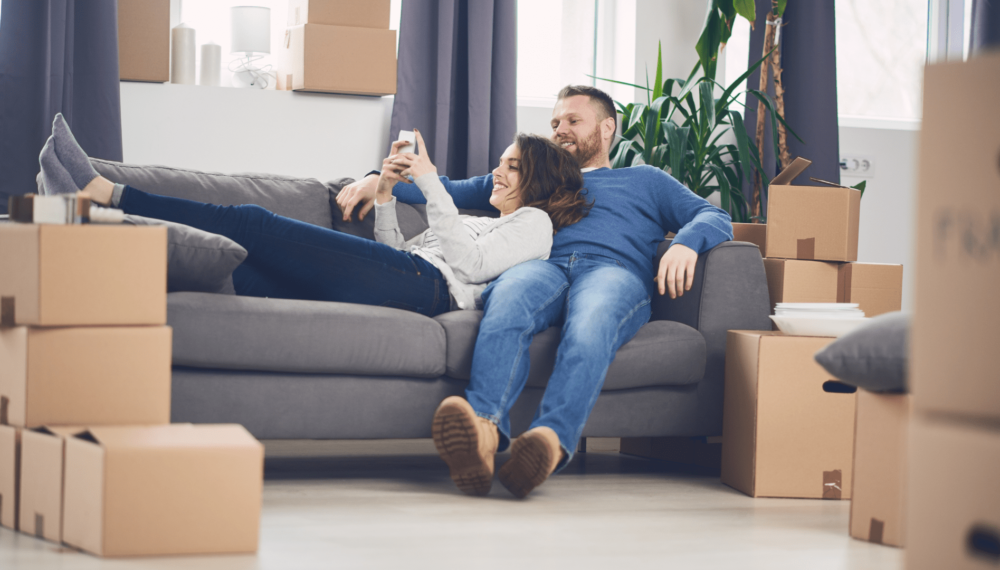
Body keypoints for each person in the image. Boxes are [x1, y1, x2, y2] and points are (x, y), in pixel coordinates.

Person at [339, 85, 734, 498]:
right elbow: (447, 188)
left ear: (606, 129)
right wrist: (374, 180)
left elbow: (713, 213)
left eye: (572, 121)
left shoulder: (645, 181)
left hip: (611, 272)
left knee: (590, 324)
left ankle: (548, 441)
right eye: (555, 123)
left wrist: (687, 243)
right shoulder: (534, 175)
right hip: (540, 267)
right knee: (507, 305)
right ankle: (483, 431)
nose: (560, 130)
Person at [35, 114, 591, 316]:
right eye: (499, 164)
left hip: (428, 291)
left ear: (537, 180)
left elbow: (464, 263)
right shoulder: (486, 219)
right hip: (407, 276)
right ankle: (96, 231)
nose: (498, 173)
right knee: (238, 270)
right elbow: (396, 256)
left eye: (511, 168)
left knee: (254, 223)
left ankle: (105, 193)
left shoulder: (533, 226)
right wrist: (388, 197)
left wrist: (427, 177)